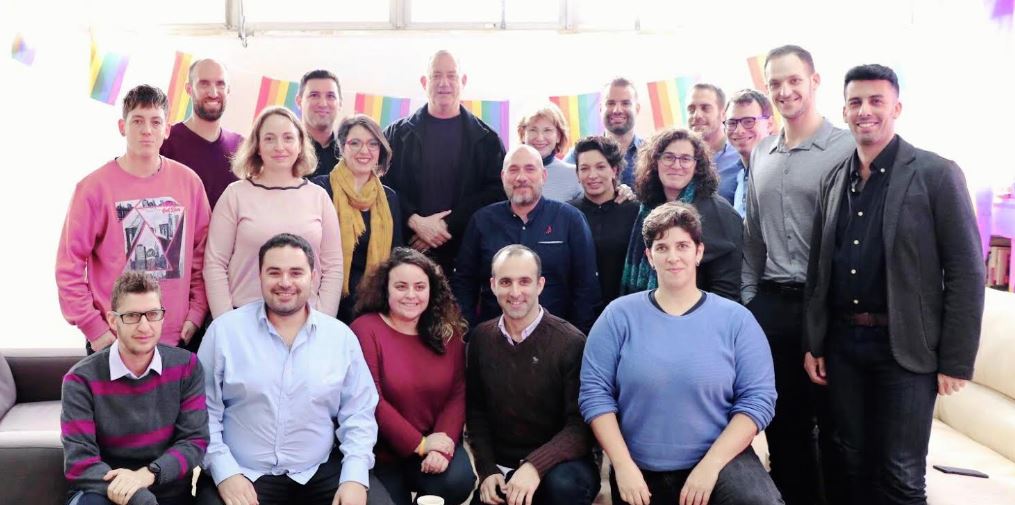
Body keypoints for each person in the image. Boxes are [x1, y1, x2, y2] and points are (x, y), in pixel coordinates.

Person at [803, 64, 985, 505]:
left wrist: (956, 360)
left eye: (876, 101)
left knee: (901, 472)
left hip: (905, 349)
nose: (864, 111)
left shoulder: (936, 174)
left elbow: (967, 271)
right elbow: (818, 271)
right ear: (844, 111)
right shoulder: (833, 179)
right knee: (849, 460)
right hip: (843, 346)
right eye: (855, 102)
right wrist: (815, 342)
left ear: (896, 108)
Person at [580, 202, 782, 505]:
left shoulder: (736, 320)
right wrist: (622, 465)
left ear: (699, 252)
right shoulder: (618, 316)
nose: (672, 257)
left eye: (682, 246)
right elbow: (595, 394)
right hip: (640, 467)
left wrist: (710, 466)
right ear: (649, 257)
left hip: (721, 461)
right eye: (662, 248)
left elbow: (758, 400)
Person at [196, 233, 391, 505]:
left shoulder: (340, 338)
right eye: (274, 272)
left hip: (318, 469)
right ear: (260, 276)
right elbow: (202, 413)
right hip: (244, 472)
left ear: (313, 277)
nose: (285, 282)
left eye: (296, 273)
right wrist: (225, 473)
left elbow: (359, 414)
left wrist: (354, 478)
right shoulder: (224, 333)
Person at [741, 45, 854, 505]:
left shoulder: (847, 147)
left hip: (827, 307)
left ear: (814, 81)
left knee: (835, 426)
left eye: (794, 80)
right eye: (775, 83)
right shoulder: (761, 152)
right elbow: (753, 236)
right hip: (772, 304)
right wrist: (751, 300)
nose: (785, 91)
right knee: (782, 425)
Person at [56, 84, 210, 352]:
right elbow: (69, 266)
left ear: (167, 129)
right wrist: (95, 328)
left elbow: (204, 255)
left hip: (177, 339)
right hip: (114, 341)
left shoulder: (190, 183)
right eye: (137, 120)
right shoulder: (93, 188)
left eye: (155, 122)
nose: (146, 130)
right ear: (122, 126)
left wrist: (197, 312)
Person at [61, 271, 209, 505]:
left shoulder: (187, 367)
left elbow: (194, 442)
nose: (144, 326)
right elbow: (80, 463)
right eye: (131, 316)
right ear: (113, 320)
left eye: (152, 314)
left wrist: (146, 476)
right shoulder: (81, 379)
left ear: (162, 317)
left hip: (167, 493)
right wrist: (139, 497)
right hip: (103, 493)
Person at [468, 245, 599, 505]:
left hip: (562, 466)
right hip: (503, 467)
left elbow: (580, 426)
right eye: (506, 282)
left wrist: (534, 466)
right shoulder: (481, 338)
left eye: (524, 281)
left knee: (563, 486)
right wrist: (487, 470)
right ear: (493, 285)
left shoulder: (571, 342)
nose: (515, 292)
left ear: (540, 285)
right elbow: (476, 412)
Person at [350, 248, 475, 505]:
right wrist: (419, 443)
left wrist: (442, 446)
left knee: (457, 480)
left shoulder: (447, 332)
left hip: (430, 446)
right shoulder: (365, 329)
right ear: (386, 289)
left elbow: (457, 393)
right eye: (401, 286)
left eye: (419, 287)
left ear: (431, 290)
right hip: (380, 454)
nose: (411, 295)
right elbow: (371, 399)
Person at [204, 106, 343, 319]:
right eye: (269, 138)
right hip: (244, 319)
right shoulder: (235, 195)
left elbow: (333, 266)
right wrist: (225, 322)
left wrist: (323, 318)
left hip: (307, 321)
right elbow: (215, 263)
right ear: (257, 146)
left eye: (288, 138)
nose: (279, 146)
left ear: (300, 144)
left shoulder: (319, 197)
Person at [453, 145, 600, 333]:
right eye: (513, 170)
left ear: (543, 175)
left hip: (557, 339)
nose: (521, 177)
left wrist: (577, 337)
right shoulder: (482, 221)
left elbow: (586, 285)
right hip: (494, 339)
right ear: (503, 177)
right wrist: (470, 334)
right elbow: (464, 282)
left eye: (530, 169)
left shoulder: (570, 219)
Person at [382, 50, 506, 274]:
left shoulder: (486, 139)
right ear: (424, 82)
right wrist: (414, 220)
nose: (444, 83)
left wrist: (444, 226)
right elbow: (382, 185)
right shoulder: (396, 135)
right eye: (436, 76)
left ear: (463, 81)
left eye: (451, 76)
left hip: (465, 257)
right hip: (408, 254)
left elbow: (496, 193)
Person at [619, 128, 742, 301]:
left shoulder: (719, 213)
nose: (676, 165)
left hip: (699, 312)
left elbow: (726, 289)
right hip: (648, 310)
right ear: (655, 161)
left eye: (685, 159)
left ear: (697, 166)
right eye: (668, 157)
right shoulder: (647, 207)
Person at [311, 115, 403, 323]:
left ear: (380, 150)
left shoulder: (389, 197)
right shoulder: (320, 189)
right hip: (324, 301)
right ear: (342, 148)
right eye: (355, 143)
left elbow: (395, 255)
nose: (364, 151)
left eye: (372, 144)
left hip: (371, 303)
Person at [567, 136, 640, 313]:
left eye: (600, 167)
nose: (592, 175)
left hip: (626, 310)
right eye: (584, 168)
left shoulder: (636, 212)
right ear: (577, 174)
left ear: (614, 170)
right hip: (577, 313)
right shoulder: (567, 213)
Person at [160, 58, 243, 210]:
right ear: (189, 89)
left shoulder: (241, 146)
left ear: (228, 90)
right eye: (204, 84)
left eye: (220, 84)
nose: (213, 93)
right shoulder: (165, 142)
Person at [565, 77, 644, 188]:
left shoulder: (651, 154)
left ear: (637, 108)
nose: (617, 110)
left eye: (625, 103)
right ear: (601, 108)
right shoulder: (579, 155)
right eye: (610, 103)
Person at [687, 83, 742, 205]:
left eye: (705, 108)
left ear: (723, 114)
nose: (696, 115)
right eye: (691, 109)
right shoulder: (679, 160)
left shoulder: (740, 156)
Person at [725, 89, 776, 217]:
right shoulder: (740, 175)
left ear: (769, 124)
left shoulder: (779, 171)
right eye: (732, 123)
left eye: (748, 121)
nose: (739, 130)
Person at [517, 102, 581, 201]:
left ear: (558, 136)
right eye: (533, 130)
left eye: (547, 130)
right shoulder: (510, 174)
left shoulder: (575, 175)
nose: (540, 138)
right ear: (522, 134)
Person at [296, 69, 344, 178]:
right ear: (299, 101)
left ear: (340, 103)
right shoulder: (284, 150)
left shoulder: (349, 154)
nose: (323, 104)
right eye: (314, 95)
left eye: (330, 96)